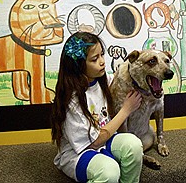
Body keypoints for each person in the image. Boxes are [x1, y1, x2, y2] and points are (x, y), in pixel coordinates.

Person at [51, 31, 144, 183]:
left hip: (104, 140)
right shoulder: (72, 99)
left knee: (133, 145)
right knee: (109, 171)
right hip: (78, 153)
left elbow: (121, 78)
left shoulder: (102, 80)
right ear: (78, 65)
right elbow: (94, 142)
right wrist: (126, 109)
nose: (102, 61)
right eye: (94, 59)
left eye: (102, 55)